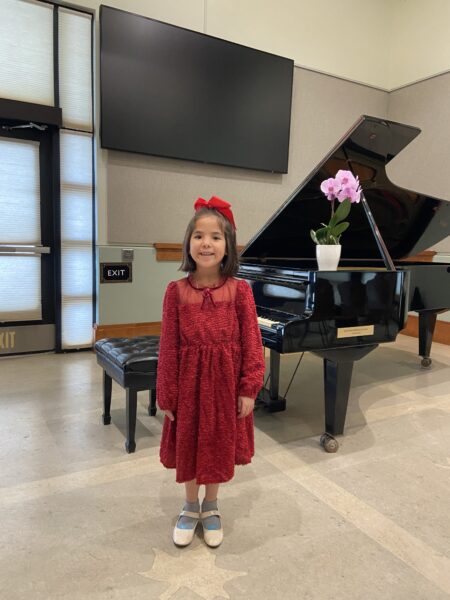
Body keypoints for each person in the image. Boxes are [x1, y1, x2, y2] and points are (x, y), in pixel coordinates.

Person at [156, 195, 265, 548]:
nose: (207, 243)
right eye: (199, 236)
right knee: (189, 442)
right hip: (187, 384)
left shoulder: (241, 291)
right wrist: (167, 392)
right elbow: (168, 346)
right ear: (189, 243)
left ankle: (212, 505)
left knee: (218, 442)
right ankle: (189, 506)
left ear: (228, 245)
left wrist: (249, 386)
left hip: (225, 384)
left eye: (216, 237)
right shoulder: (175, 292)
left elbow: (251, 340)